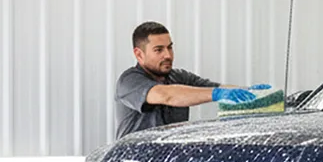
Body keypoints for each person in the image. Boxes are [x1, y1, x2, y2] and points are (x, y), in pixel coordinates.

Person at [114, 21, 268, 139]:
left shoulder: (179, 77)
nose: (168, 55)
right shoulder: (129, 81)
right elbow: (165, 95)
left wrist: (249, 91)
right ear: (139, 54)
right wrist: (217, 94)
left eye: (170, 47)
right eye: (158, 50)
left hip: (167, 158)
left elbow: (215, 87)